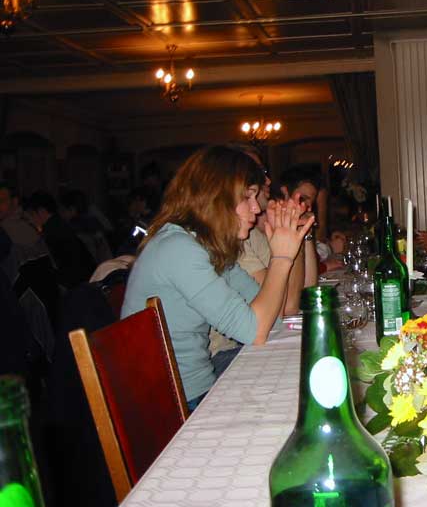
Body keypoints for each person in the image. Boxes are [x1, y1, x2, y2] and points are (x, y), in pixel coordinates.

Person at [121, 145, 313, 410]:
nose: (256, 208)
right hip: (173, 404)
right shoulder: (179, 249)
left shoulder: (206, 246)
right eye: (247, 197)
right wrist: (281, 258)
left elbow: (274, 315)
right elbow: (255, 332)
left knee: (302, 376)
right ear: (216, 197)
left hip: (197, 387)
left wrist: (286, 251)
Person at [25, 190, 97, 289]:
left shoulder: (52, 232)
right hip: (85, 281)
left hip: (76, 285)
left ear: (41, 211)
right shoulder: (59, 225)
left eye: (31, 214)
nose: (29, 220)